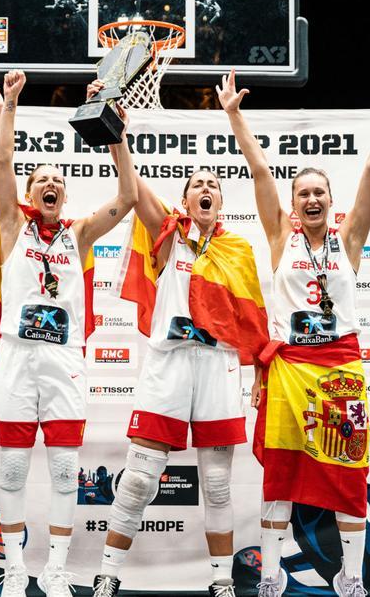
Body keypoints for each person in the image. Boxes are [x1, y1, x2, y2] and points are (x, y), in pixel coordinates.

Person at [225, 70, 370, 597]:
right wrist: (235, 116)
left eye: (318, 192)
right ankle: (270, 575)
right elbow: (260, 171)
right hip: (289, 372)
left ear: (330, 201)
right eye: (302, 192)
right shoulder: (281, 235)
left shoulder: (349, 238)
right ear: (294, 201)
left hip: (341, 369)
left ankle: (351, 577)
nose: (310, 198)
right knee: (280, 474)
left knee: (346, 474)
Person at [86, 84, 268, 597]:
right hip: (168, 365)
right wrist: (115, 128)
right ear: (186, 200)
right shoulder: (166, 234)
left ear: (220, 201)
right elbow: (134, 185)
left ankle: (221, 582)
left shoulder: (238, 251)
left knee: (215, 484)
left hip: (217, 369)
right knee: (141, 479)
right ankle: (107, 575)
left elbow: (253, 325)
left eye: (213, 183)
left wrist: (259, 374)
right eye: (196, 184)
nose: (205, 188)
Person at [0, 71, 136, 597]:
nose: (51, 185)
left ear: (64, 194)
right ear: (29, 194)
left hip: (63, 360)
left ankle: (55, 568)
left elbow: (129, 196)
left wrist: (115, 132)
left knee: (68, 467)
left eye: (59, 181)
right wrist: (11, 103)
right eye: (42, 180)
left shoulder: (80, 234)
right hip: (16, 358)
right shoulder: (11, 226)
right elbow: (1, 163)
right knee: (14, 469)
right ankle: (17, 568)